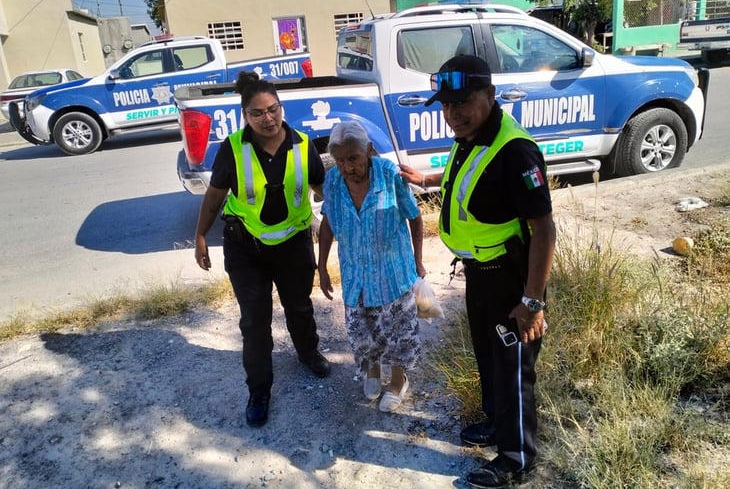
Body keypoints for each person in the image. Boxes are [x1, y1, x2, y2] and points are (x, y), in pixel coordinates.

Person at [399, 55, 556, 487]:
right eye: (446, 106)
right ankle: (495, 421)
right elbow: (462, 181)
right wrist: (427, 179)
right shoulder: (470, 137)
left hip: (511, 278)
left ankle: (517, 458)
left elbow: (544, 230)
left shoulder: (515, 152)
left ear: (490, 94)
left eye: (463, 102)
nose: (453, 114)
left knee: (514, 367)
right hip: (480, 274)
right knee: (488, 356)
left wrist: (532, 301)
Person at [194, 71, 331, 428]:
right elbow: (215, 196)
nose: (268, 118)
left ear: (281, 108)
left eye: (273, 109)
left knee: (299, 307)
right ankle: (259, 390)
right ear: (245, 116)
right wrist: (200, 236)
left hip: (294, 246)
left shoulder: (303, 144)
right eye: (258, 113)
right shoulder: (233, 148)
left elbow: (323, 189)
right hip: (246, 248)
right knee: (255, 322)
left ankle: (308, 353)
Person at [317, 120, 426, 413]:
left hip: (393, 274)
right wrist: (322, 265)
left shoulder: (389, 175)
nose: (347, 167)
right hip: (356, 276)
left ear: (368, 150)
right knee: (362, 332)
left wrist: (417, 261)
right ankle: (373, 372)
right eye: (341, 161)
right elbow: (327, 223)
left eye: (353, 158)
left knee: (399, 332)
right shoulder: (333, 182)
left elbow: (414, 217)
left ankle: (398, 382)